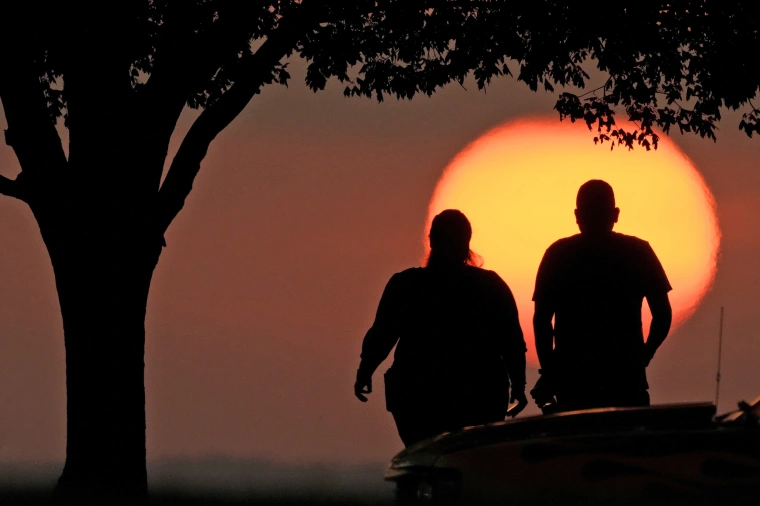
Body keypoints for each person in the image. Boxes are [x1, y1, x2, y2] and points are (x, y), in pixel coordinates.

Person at [354, 209, 528, 447]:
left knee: (426, 458)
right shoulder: (490, 286)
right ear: (467, 241)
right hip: (479, 396)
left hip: (419, 397)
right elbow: (512, 342)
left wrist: (366, 369)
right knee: (471, 459)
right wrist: (518, 385)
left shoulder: (406, 285)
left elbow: (382, 334)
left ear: (432, 240)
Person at [531, 180, 673, 412]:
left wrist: (549, 370)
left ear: (577, 215)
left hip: (573, 381)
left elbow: (542, 320)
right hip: (626, 377)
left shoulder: (557, 254)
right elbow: (662, 314)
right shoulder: (639, 252)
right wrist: (644, 354)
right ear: (615, 214)